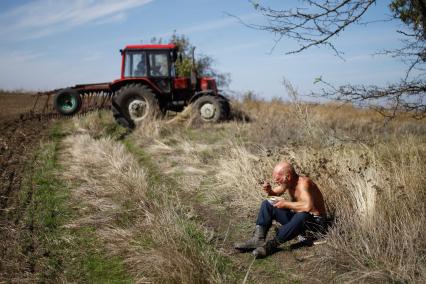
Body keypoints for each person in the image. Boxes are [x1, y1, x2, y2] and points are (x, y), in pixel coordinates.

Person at [234, 162, 327, 258]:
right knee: (267, 203)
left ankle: (270, 246)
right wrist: (269, 191)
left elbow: (308, 206)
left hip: (315, 225)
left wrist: (286, 204)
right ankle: (258, 239)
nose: (275, 181)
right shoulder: (288, 183)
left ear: (288, 177)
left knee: (302, 215)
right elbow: (273, 195)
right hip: (299, 221)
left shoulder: (304, 184)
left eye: (278, 179)